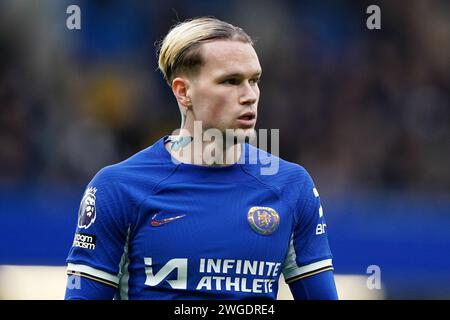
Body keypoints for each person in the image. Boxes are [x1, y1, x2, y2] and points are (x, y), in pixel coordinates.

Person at [65, 17, 338, 300]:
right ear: (184, 92)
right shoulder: (117, 188)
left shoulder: (292, 186)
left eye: (254, 80)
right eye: (230, 81)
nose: (249, 95)